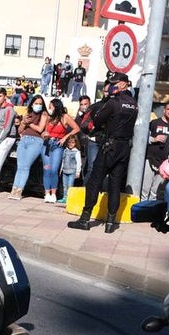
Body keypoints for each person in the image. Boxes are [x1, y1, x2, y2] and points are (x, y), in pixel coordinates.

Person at [68, 71, 138, 233]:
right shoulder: (134, 104)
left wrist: (97, 123)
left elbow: (95, 121)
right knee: (115, 183)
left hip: (110, 146)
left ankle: (85, 220)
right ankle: (110, 223)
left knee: (94, 181)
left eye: (114, 83)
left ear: (123, 84)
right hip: (124, 147)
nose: (111, 85)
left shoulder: (114, 102)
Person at [9, 94, 49, 201]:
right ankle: (14, 189)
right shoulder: (28, 113)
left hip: (36, 141)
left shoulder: (44, 114)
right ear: (32, 104)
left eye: (40, 104)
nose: (38, 105)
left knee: (26, 166)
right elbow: (20, 130)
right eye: (36, 103)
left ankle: (19, 190)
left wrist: (28, 123)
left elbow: (40, 129)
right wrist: (23, 122)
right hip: (24, 139)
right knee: (20, 166)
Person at [42, 98, 79, 203]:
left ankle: (53, 193)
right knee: (46, 169)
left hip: (58, 144)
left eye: (51, 106)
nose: (49, 109)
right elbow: (44, 131)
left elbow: (76, 128)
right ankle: (46, 193)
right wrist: (44, 135)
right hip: (47, 144)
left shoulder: (64, 117)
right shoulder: (49, 118)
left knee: (54, 170)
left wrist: (65, 137)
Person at [143, 101, 169, 200]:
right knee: (144, 190)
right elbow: (141, 139)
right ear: (164, 110)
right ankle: (141, 213)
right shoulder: (154, 123)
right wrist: (154, 139)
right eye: (168, 109)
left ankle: (150, 214)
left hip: (164, 163)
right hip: (150, 159)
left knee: (155, 192)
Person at [58, 134, 81, 205]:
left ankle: (69, 198)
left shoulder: (76, 152)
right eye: (69, 142)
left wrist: (78, 172)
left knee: (70, 185)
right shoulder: (65, 150)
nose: (71, 144)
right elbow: (63, 160)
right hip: (65, 170)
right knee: (65, 185)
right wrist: (61, 169)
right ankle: (64, 197)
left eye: (73, 142)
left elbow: (79, 163)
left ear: (76, 143)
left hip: (72, 171)